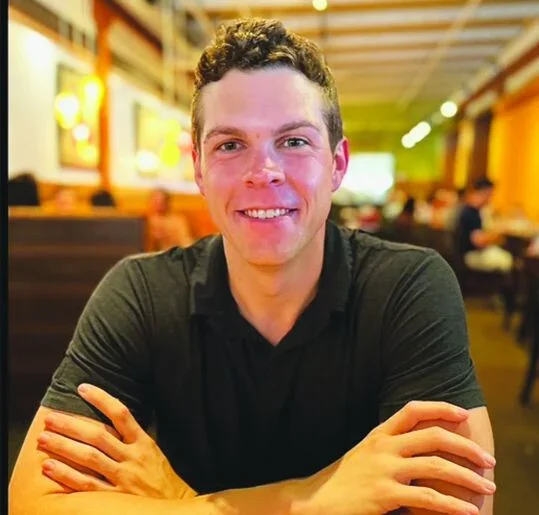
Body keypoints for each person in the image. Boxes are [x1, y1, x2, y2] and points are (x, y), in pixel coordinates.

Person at [9, 19, 496, 515]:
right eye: (230, 145)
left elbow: (458, 504)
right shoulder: (141, 292)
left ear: (337, 164)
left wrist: (181, 502)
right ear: (199, 168)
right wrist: (318, 500)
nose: (263, 172)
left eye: (294, 141)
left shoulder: (407, 287)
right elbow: (31, 501)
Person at [455, 178, 513, 273]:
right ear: (485, 192)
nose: (491, 199)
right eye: (490, 195)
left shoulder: (468, 209)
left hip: (464, 253)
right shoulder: (471, 213)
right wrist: (496, 235)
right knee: (506, 259)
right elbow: (479, 242)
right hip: (470, 255)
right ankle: (493, 287)